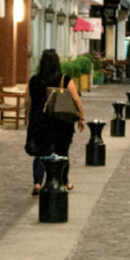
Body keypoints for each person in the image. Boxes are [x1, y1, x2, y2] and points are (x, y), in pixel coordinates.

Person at [25, 49, 82, 195]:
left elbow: (27, 102)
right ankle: (64, 181)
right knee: (62, 152)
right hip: (61, 122)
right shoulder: (64, 79)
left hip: (39, 121)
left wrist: (28, 117)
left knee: (41, 152)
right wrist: (81, 118)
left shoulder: (34, 80)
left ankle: (37, 182)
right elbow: (76, 99)